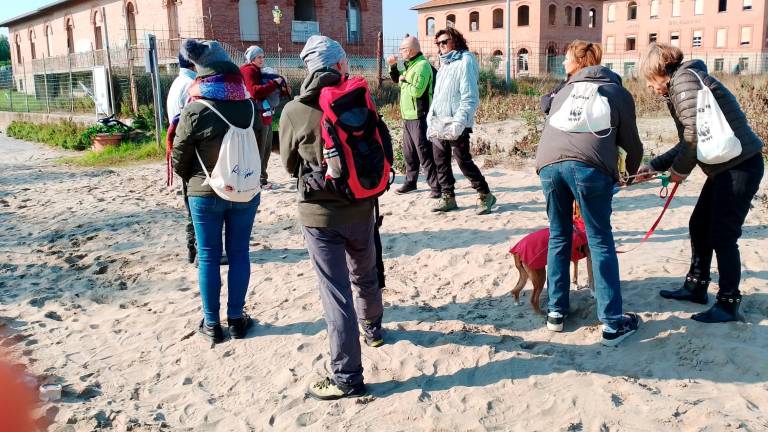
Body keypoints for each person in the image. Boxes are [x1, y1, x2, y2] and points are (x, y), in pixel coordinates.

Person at [279, 35, 384, 401]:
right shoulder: (360, 99)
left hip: (319, 215)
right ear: (339, 65)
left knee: (336, 294)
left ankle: (347, 377)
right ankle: (373, 329)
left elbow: (289, 164)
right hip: (362, 207)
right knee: (365, 274)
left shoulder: (293, 110)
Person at [636, 43, 765, 323]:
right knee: (699, 225)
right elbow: (689, 140)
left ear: (659, 71)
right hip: (727, 167)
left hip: (739, 167)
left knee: (723, 234)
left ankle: (729, 303)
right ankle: (696, 286)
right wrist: (655, 165)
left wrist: (678, 174)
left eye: (649, 80)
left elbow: (693, 138)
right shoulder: (685, 82)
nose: (650, 87)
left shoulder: (682, 82)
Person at [535, 41, 644, 346]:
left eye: (567, 61)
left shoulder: (565, 91)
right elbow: (632, 145)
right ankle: (612, 323)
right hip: (589, 169)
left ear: (580, 64)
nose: (563, 65)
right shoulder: (616, 93)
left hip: (548, 165)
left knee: (559, 236)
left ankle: (556, 312)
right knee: (599, 240)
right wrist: (630, 173)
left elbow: (547, 110)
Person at [172, 39, 263, 343]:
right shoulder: (248, 104)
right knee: (239, 254)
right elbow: (261, 148)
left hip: (205, 192)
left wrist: (195, 180)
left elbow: (179, 158)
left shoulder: (195, 108)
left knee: (209, 257)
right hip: (245, 190)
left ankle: (212, 325)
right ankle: (236, 320)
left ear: (202, 73)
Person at [426, 28, 496, 214]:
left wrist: (460, 121)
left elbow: (470, 96)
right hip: (439, 121)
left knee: (463, 161)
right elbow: (438, 97)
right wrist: (430, 118)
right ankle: (448, 197)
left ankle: (485, 194)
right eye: (438, 43)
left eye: (444, 41)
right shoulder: (444, 65)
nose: (441, 46)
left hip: (457, 121)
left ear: (455, 40)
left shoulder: (466, 60)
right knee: (440, 161)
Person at [387, 36, 440, 198]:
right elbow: (398, 78)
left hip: (420, 116)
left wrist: (403, 81)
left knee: (424, 152)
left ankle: (436, 187)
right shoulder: (411, 66)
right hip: (408, 116)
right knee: (409, 152)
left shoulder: (422, 66)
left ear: (410, 50)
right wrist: (393, 66)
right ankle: (411, 182)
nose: (400, 52)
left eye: (403, 49)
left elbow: (417, 91)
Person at [167, 52, 198, 264]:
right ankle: (196, 249)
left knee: (190, 202)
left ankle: (192, 249)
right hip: (190, 150)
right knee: (195, 204)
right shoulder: (190, 85)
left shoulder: (177, 82)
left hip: (180, 148)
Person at [240, 45, 285, 190]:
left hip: (266, 114)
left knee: (266, 148)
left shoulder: (259, 71)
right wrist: (274, 84)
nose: (262, 59)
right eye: (259, 57)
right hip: (258, 115)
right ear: (252, 58)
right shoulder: (248, 70)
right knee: (260, 148)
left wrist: (281, 89)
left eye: (263, 56)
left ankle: (262, 178)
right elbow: (254, 92)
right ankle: (258, 180)